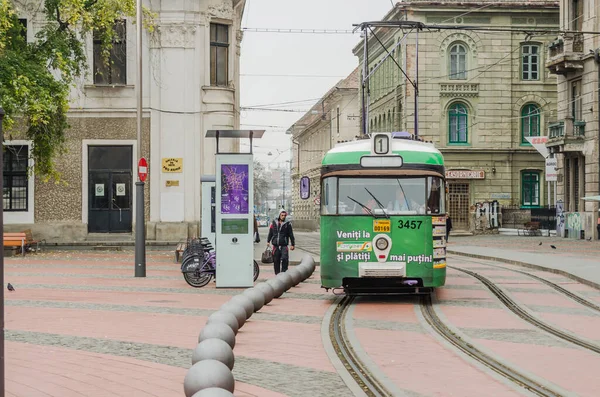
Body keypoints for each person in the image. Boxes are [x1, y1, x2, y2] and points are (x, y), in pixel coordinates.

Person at [266, 209, 295, 274]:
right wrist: (268, 241)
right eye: (282, 215)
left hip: (284, 245)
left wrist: (293, 244)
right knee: (276, 261)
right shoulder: (274, 223)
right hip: (275, 245)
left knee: (285, 259)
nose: (283, 217)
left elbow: (291, 234)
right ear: (279, 215)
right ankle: (277, 275)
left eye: (284, 215)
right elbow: (270, 232)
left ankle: (284, 273)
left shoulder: (288, 224)